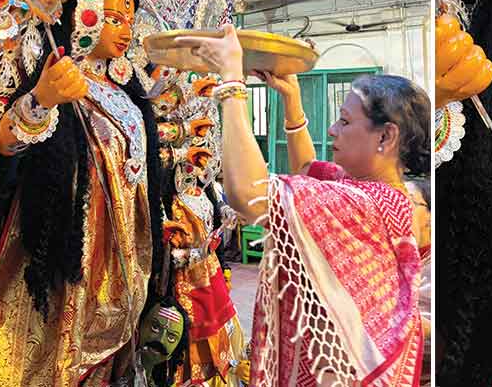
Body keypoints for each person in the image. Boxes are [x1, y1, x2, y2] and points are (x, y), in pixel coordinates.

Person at [175, 25, 430, 387]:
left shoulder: (367, 204)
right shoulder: (372, 190)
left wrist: (232, 84)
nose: (333, 130)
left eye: (345, 121)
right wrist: (292, 99)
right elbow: (307, 168)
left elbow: (249, 196)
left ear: (386, 136)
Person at [0, 0, 167, 386]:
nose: (125, 31)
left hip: (125, 256)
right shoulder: (55, 75)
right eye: (113, 19)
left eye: (129, 20)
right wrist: (42, 100)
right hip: (69, 252)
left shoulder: (127, 92)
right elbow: (4, 146)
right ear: (84, 13)